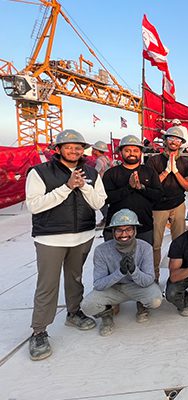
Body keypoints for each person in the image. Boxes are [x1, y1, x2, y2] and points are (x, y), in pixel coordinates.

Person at [25, 129, 107, 361]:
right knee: (47, 285)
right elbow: (34, 205)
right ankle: (39, 331)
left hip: (82, 235)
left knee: (75, 279)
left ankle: (74, 312)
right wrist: (67, 187)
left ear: (83, 150)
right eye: (69, 147)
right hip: (51, 238)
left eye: (78, 147)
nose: (74, 151)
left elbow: (99, 202)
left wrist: (83, 186)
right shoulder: (40, 172)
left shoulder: (91, 172)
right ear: (58, 149)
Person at [81, 209, 163, 336]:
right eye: (119, 230)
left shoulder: (145, 247)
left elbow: (149, 279)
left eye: (128, 229)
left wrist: (134, 271)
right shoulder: (101, 250)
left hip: (137, 286)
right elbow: (98, 284)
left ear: (135, 230)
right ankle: (106, 314)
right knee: (87, 306)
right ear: (113, 232)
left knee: (156, 299)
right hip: (113, 288)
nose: (124, 234)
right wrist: (120, 272)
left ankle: (142, 304)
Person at [146, 125, 188, 280]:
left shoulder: (185, 162)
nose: (174, 142)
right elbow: (151, 185)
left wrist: (176, 171)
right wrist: (166, 171)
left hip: (178, 204)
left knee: (179, 241)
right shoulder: (154, 161)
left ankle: (178, 275)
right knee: (156, 243)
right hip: (158, 206)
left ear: (181, 143)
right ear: (165, 140)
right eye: (171, 138)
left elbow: (187, 186)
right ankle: (154, 276)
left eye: (177, 139)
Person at [103, 135, 162, 245]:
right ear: (121, 152)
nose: (132, 153)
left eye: (135, 150)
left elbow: (158, 195)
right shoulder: (111, 173)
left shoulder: (149, 172)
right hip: (117, 228)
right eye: (127, 150)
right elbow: (105, 199)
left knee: (143, 255)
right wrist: (128, 188)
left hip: (144, 227)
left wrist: (141, 188)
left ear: (141, 153)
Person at [90, 140, 113, 228]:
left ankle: (106, 219)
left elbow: (95, 173)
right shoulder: (107, 158)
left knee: (101, 202)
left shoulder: (99, 161)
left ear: (97, 150)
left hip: (101, 183)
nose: (92, 150)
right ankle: (107, 219)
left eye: (94, 149)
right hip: (107, 183)